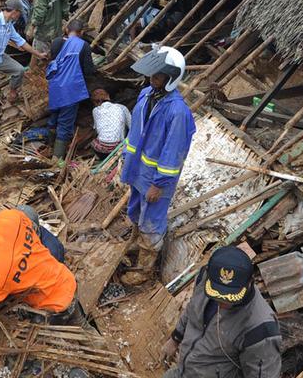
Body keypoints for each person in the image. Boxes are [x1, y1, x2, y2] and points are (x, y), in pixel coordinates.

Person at [119, 46, 195, 286]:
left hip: (155, 179)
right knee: (135, 210)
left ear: (172, 77)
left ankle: (144, 268)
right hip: (136, 171)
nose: (152, 78)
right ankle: (136, 242)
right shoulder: (145, 95)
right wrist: (125, 157)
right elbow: (135, 132)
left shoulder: (178, 112)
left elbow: (173, 152)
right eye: (152, 74)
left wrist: (159, 185)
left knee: (152, 222)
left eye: (158, 75)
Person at [160, 246, 282, 378]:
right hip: (182, 371)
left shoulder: (260, 330)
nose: (222, 303)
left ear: (249, 284)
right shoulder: (204, 278)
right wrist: (175, 338)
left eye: (230, 298)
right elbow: (192, 310)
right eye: (217, 296)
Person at [0, 0, 47, 122]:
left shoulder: (8, 24)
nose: (20, 16)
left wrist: (38, 54)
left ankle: (12, 92)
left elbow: (21, 42)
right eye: (19, 13)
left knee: (19, 70)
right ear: (15, 12)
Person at [46, 19, 95, 161]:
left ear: (67, 30)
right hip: (71, 90)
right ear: (82, 32)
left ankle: (49, 147)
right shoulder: (83, 46)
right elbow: (88, 70)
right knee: (65, 123)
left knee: (54, 117)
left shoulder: (56, 42)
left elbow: (54, 60)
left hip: (55, 86)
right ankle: (56, 160)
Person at [90, 89, 131, 157]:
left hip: (100, 149)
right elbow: (131, 126)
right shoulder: (122, 108)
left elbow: (97, 130)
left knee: (94, 142)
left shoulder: (95, 110)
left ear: (96, 102)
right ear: (108, 97)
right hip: (118, 148)